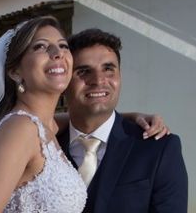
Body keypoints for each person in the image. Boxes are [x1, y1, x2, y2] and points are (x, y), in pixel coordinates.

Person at [0, 17, 168, 213]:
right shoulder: (19, 130)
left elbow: (76, 121)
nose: (57, 52)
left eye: (63, 45)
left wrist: (130, 116)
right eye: (41, 46)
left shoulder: (45, 126)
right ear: (15, 71)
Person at [57, 28, 188, 213]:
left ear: (120, 77)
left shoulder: (159, 148)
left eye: (108, 69)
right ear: (63, 84)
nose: (98, 80)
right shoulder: (43, 146)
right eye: (84, 71)